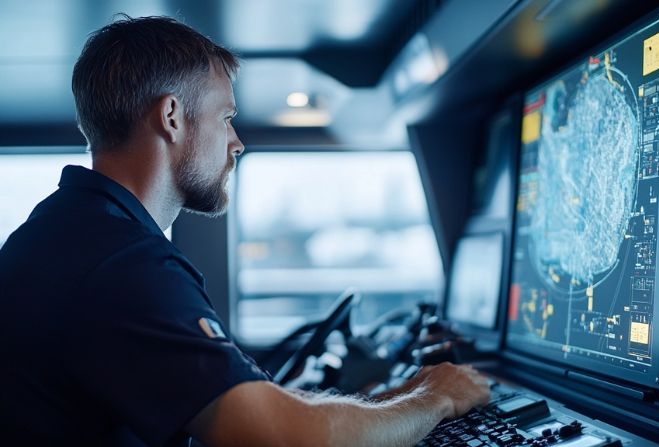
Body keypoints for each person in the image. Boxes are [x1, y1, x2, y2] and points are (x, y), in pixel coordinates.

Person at [0, 15, 490, 447]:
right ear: (172, 117)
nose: (236, 143)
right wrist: (436, 400)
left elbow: (244, 403)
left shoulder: (72, 231)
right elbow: (282, 437)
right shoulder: (123, 265)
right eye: (227, 118)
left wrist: (397, 400)